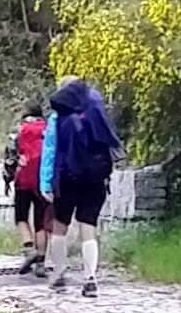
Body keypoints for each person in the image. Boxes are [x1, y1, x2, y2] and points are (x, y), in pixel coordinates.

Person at [40, 78, 123, 297]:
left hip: (67, 177)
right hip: (95, 177)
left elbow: (50, 151)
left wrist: (46, 182)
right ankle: (90, 278)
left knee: (60, 226)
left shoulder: (58, 116)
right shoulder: (95, 110)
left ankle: (58, 274)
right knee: (89, 227)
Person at [7, 99, 51, 274]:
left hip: (23, 179)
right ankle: (40, 262)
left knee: (21, 217)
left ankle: (29, 248)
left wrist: (9, 177)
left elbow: (10, 159)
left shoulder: (17, 132)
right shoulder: (48, 130)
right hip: (42, 180)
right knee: (41, 222)